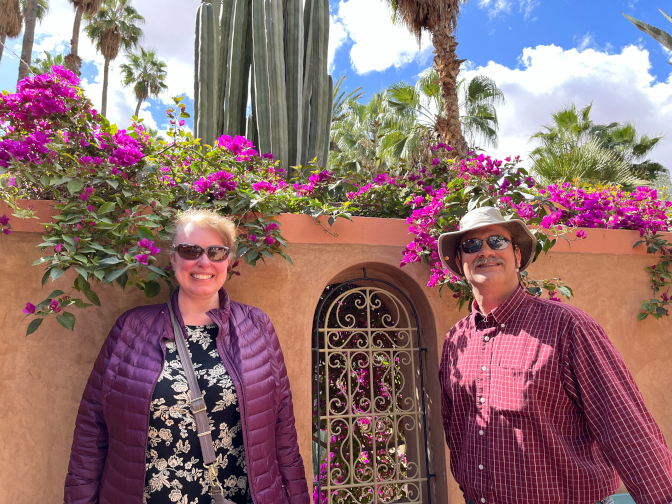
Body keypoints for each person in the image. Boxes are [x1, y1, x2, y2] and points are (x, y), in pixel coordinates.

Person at [64, 208, 309, 504]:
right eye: (190, 250)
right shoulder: (132, 328)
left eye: (217, 252)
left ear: (229, 261)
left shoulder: (257, 327)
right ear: (173, 259)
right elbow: (92, 431)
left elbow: (283, 431)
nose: (203, 262)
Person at [437, 206, 672, 504]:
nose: (485, 251)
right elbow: (456, 429)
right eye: (471, 245)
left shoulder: (567, 326)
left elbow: (623, 424)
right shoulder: (457, 340)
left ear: (518, 255)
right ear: (460, 261)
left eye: (497, 241)